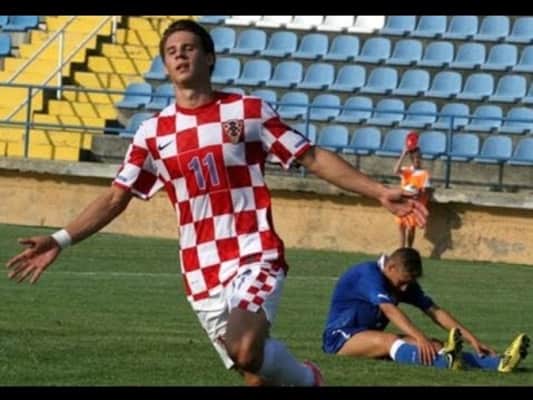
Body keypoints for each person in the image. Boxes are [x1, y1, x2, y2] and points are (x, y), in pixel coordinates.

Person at [5, 19, 428, 387]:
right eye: (171, 51)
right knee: (254, 373)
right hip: (200, 269)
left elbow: (311, 157)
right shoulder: (152, 134)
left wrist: (378, 191)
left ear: (209, 58)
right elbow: (117, 197)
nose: (180, 55)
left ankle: (308, 378)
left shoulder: (247, 112)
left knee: (245, 349)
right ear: (165, 65)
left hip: (253, 251)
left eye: (189, 48)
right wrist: (59, 239)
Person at [322, 247, 529, 373]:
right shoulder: (368, 274)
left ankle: (498, 363)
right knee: (392, 341)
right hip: (340, 339)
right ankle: (445, 363)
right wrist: (419, 336)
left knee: (435, 345)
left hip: (367, 336)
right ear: (391, 267)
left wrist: (472, 339)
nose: (405, 288)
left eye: (408, 283)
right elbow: (389, 310)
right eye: (402, 282)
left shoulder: (401, 282)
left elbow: (435, 311)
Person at [393, 138, 432, 248]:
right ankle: (401, 248)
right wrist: (403, 154)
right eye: (414, 158)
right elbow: (395, 171)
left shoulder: (424, 173)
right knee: (401, 226)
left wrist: (419, 192)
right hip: (403, 202)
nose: (417, 160)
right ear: (411, 159)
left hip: (414, 204)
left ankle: (409, 248)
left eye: (418, 158)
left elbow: (426, 191)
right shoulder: (407, 170)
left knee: (411, 228)